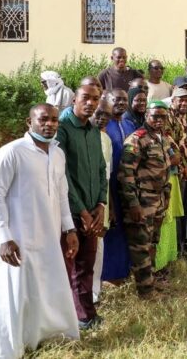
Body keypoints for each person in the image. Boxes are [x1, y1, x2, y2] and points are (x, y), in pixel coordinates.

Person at [0, 104, 80, 358]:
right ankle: (12, 348)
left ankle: (46, 336)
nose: (50, 124)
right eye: (43, 119)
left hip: (50, 236)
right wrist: (4, 237)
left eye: (55, 120)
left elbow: (62, 194)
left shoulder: (57, 153)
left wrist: (69, 229)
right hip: (18, 238)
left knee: (47, 287)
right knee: (17, 293)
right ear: (28, 121)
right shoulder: (11, 152)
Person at [56, 86, 108, 329]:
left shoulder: (93, 130)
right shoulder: (63, 128)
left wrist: (100, 204)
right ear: (74, 99)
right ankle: (65, 319)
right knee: (67, 268)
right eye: (85, 98)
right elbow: (61, 175)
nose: (90, 103)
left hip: (91, 210)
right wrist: (82, 210)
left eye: (95, 99)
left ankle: (85, 314)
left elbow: (100, 168)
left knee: (86, 266)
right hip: (68, 212)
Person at [119, 102, 174, 299]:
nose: (159, 120)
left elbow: (166, 170)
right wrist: (133, 204)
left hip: (157, 201)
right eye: (154, 116)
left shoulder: (162, 138)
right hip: (141, 203)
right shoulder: (136, 139)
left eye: (162, 117)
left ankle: (150, 282)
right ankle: (146, 292)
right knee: (140, 247)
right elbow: (126, 174)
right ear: (146, 116)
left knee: (152, 244)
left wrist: (166, 196)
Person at [102, 89, 132, 283]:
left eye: (124, 99)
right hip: (110, 183)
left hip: (128, 184)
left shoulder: (129, 124)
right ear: (107, 101)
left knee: (126, 226)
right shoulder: (105, 125)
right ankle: (110, 274)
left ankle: (125, 268)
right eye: (116, 99)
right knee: (112, 226)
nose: (121, 102)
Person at [165, 89, 187, 252]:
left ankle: (184, 242)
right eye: (181, 100)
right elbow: (170, 144)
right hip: (178, 170)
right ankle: (177, 247)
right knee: (178, 208)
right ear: (173, 100)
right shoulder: (167, 116)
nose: (184, 103)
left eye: (186, 100)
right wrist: (184, 168)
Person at [89, 100, 112, 304]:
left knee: (98, 247)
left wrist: (107, 205)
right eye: (98, 113)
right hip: (81, 205)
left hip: (101, 203)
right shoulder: (80, 135)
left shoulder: (106, 139)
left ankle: (94, 293)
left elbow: (107, 176)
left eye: (106, 114)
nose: (102, 117)